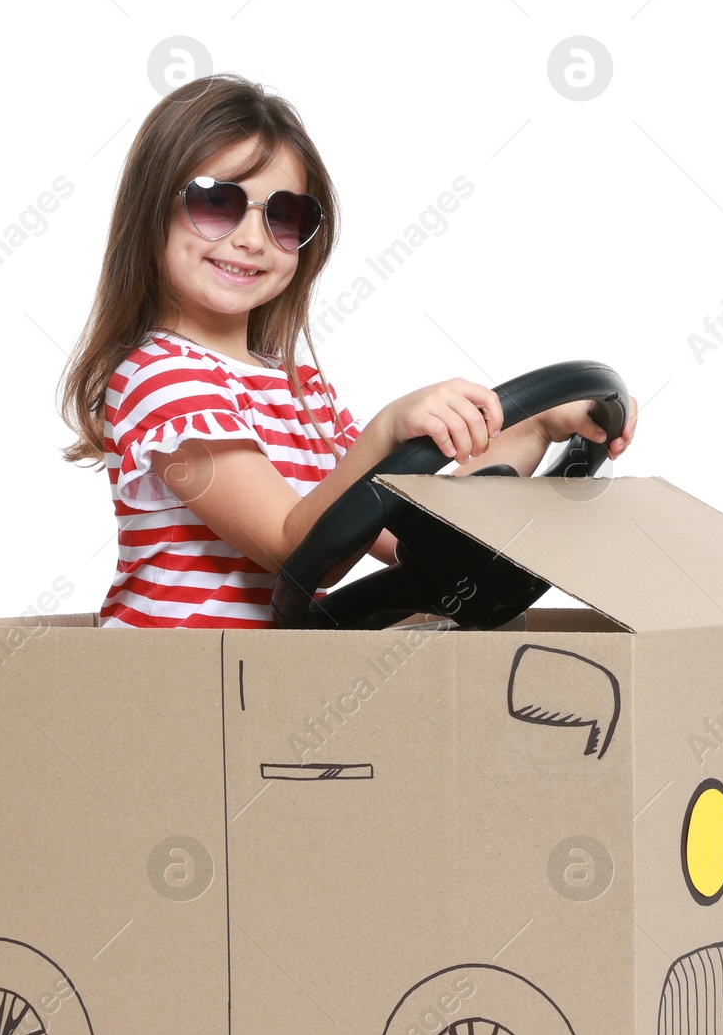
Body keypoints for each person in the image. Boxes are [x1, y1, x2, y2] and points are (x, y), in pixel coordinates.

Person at [59, 73, 636, 628]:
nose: (253, 239)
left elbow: (407, 531)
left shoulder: (301, 391)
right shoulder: (163, 381)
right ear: (152, 208)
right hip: (175, 691)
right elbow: (293, 547)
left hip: (265, 690)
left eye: (284, 216)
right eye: (217, 204)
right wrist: (384, 431)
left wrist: (539, 425)